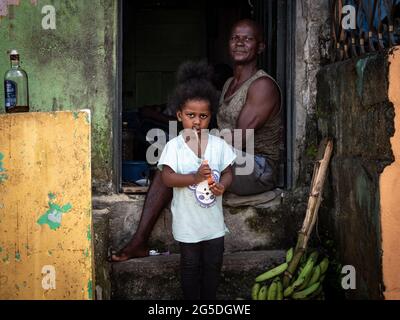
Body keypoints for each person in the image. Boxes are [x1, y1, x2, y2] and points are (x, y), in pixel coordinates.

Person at [111, 19, 283, 262]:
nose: (240, 42)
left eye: (248, 38)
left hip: (257, 166)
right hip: (229, 156)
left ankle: (139, 242)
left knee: (173, 167)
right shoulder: (228, 85)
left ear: (261, 47)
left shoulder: (262, 86)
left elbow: (241, 139)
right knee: (172, 164)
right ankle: (143, 242)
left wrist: (193, 149)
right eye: (235, 37)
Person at [157, 61, 236, 299]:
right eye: (191, 115)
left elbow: (229, 171)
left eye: (203, 116)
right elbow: (167, 178)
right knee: (190, 268)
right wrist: (194, 177)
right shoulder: (174, 147)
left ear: (211, 116)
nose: (197, 121)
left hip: (213, 225)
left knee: (213, 266)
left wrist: (224, 185)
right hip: (188, 225)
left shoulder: (219, 145)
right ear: (180, 115)